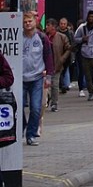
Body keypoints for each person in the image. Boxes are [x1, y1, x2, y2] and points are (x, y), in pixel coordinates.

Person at [21, 12, 53, 146]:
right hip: (21, 78)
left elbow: (48, 57)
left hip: (37, 78)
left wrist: (49, 77)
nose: (27, 24)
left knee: (36, 107)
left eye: (30, 21)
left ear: (35, 22)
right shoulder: (18, 37)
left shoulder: (42, 38)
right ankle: (21, 127)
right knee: (19, 106)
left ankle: (31, 134)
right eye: (25, 22)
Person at [46, 18, 71, 113]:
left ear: (53, 27)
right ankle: (47, 99)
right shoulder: (44, 36)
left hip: (56, 64)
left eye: (48, 25)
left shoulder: (61, 37)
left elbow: (68, 48)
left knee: (55, 85)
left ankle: (54, 103)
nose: (47, 27)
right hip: (45, 65)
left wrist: (63, 58)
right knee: (45, 86)